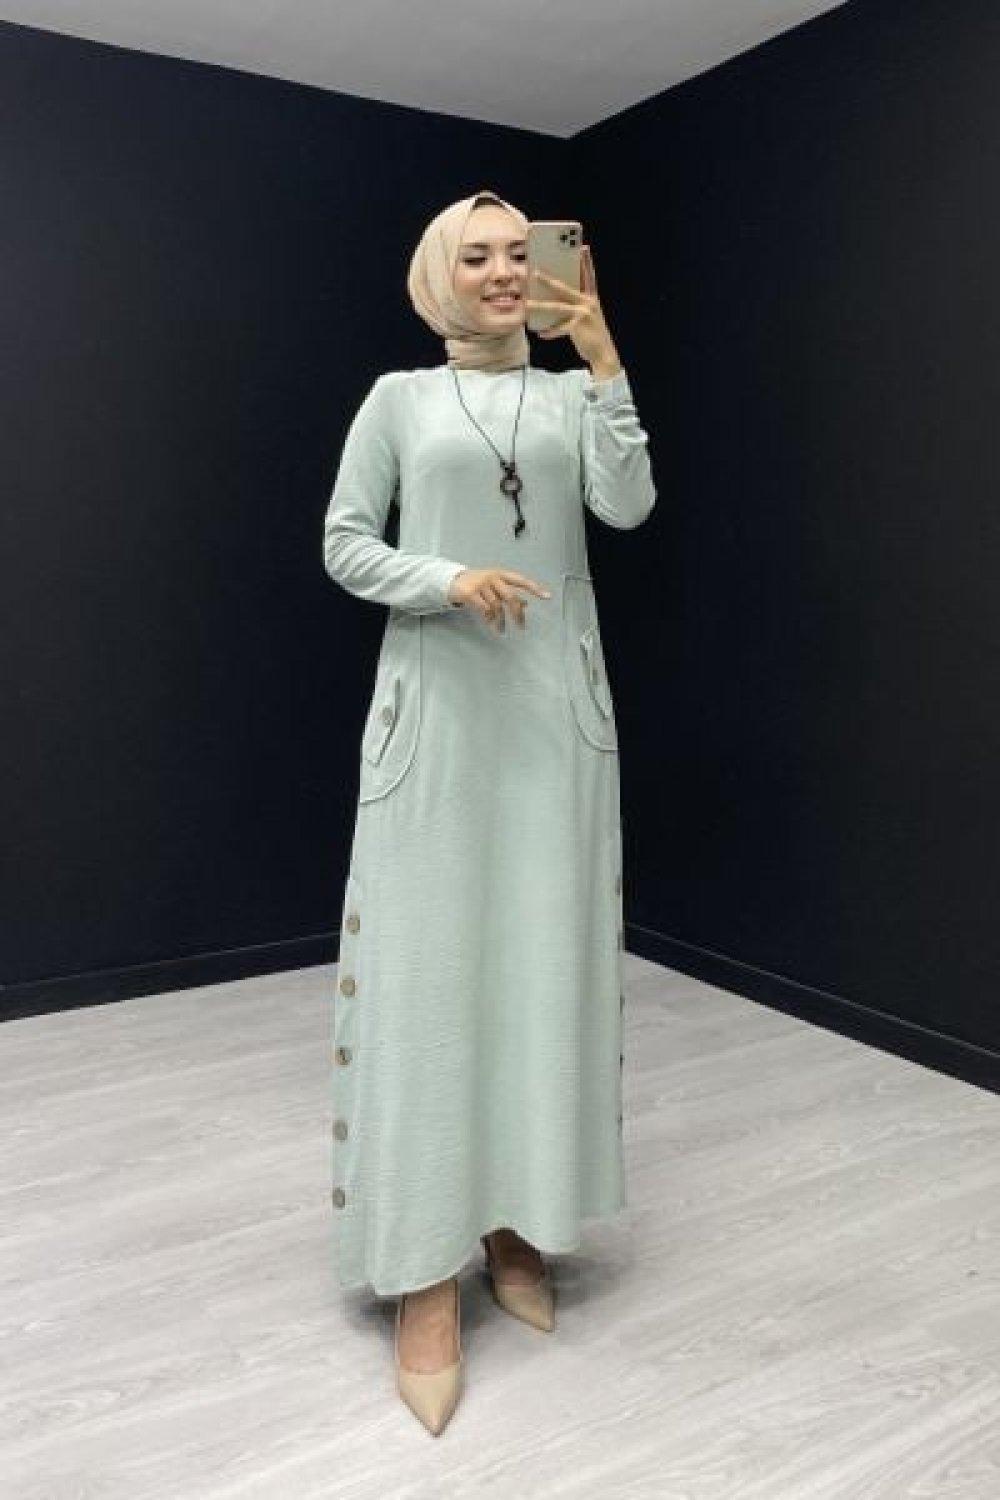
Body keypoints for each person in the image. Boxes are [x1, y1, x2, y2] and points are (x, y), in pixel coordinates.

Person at [322, 189, 656, 1434]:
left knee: (535, 975)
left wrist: (606, 362)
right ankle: (420, 1270)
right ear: (438, 276)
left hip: (554, 723)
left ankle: (515, 1222)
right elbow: (344, 543)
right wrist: (449, 577)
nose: (508, 271)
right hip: (440, 719)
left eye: (525, 252)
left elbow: (627, 506)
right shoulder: (398, 400)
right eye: (480, 256)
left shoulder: (571, 399)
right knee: (427, 982)